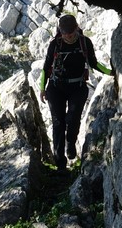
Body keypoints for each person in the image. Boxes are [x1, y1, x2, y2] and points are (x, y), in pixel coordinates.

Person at [39, 14, 113, 171]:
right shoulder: (55, 44)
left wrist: (111, 72)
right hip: (56, 87)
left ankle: (71, 143)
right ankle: (60, 165)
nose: (68, 37)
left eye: (70, 33)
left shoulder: (84, 42)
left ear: (76, 29)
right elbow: (46, 67)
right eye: (64, 33)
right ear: (60, 31)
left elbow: (93, 63)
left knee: (72, 119)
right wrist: (41, 88)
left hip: (77, 87)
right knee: (58, 123)